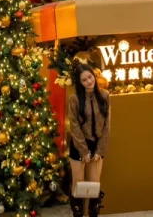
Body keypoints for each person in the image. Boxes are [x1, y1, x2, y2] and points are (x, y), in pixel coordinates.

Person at [66, 64, 110, 217]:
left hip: (97, 144)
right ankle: (78, 214)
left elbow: (107, 126)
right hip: (79, 145)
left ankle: (93, 213)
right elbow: (74, 126)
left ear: (94, 76)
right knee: (78, 185)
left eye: (90, 77)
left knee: (94, 184)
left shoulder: (105, 96)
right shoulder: (74, 99)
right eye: (84, 80)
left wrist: (99, 151)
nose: (88, 81)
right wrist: (84, 151)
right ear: (80, 83)